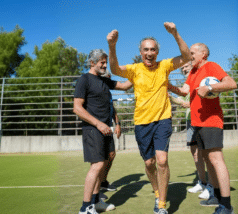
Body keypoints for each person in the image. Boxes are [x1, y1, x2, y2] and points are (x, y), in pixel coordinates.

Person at [106, 22, 191, 214]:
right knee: (149, 163)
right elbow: (114, 69)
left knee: (161, 161)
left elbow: (187, 57)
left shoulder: (164, 66)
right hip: (142, 123)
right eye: (146, 49)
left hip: (163, 119)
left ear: (157, 52)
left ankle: (161, 204)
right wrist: (112, 46)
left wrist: (175, 33)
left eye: (153, 49)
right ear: (141, 52)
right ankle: (156, 190)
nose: (150, 52)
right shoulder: (135, 69)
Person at [170, 43, 237, 214]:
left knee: (216, 159)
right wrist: (165, 85)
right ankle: (215, 195)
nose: (189, 56)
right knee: (208, 160)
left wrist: (210, 87)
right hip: (197, 123)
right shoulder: (192, 72)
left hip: (211, 121)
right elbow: (183, 90)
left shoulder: (211, 66)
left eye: (192, 53)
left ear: (203, 54)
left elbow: (231, 83)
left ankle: (227, 205)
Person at [73, 49, 131, 214]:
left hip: (106, 129)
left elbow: (125, 85)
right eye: (102, 63)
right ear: (92, 63)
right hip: (93, 129)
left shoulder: (105, 81)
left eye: (106, 62)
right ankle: (85, 207)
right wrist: (98, 124)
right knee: (97, 165)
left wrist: (140, 71)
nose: (106, 66)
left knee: (104, 163)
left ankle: (96, 201)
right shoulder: (84, 80)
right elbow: (77, 108)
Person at [168, 62, 213, 200]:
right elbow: (182, 100)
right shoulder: (187, 84)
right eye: (182, 68)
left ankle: (211, 187)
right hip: (190, 120)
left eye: (186, 66)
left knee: (206, 154)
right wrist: (169, 97)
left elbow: (208, 96)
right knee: (195, 153)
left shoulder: (202, 79)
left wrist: (191, 104)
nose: (184, 69)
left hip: (203, 119)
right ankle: (202, 183)